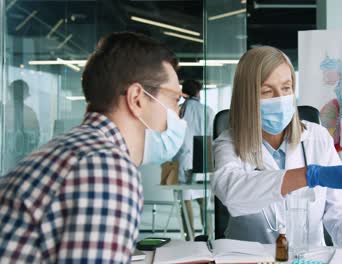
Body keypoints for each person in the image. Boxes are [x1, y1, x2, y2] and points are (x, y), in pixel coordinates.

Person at [0, 32, 186, 262]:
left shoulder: (75, 150)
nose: (178, 114)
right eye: (175, 99)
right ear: (137, 98)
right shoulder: (104, 168)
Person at [212, 46, 342, 248]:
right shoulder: (229, 143)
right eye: (266, 91)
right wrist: (309, 175)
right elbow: (231, 191)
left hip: (308, 259)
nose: (280, 99)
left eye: (286, 88)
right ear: (247, 97)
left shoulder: (317, 137)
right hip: (248, 259)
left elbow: (341, 212)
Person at [174, 79, 214, 240]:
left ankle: (190, 237)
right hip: (202, 158)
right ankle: (208, 235)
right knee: (204, 199)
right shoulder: (207, 110)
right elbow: (211, 136)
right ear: (198, 92)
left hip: (183, 158)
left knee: (185, 200)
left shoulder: (180, 110)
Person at [3, 80, 40, 171]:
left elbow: (36, 136)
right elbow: (37, 137)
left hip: (22, 159)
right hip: (10, 159)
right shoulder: (4, 111)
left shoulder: (29, 113)